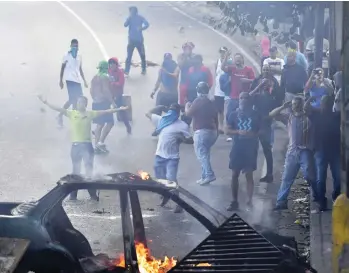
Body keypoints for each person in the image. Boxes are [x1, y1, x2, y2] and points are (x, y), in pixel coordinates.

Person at [38, 95, 127, 201]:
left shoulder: (90, 114)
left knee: (89, 172)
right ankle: (73, 196)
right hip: (75, 146)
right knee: (75, 172)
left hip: (87, 146)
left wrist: (119, 109)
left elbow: (106, 111)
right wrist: (46, 102)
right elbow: (58, 108)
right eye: (79, 102)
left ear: (86, 104)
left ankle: (93, 196)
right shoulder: (72, 113)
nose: (81, 104)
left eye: (83, 102)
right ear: (77, 104)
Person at [269, 97, 316, 210]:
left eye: (297, 104)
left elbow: (314, 111)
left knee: (309, 175)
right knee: (287, 178)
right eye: (294, 104)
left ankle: (316, 196)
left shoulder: (308, 116)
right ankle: (281, 202)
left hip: (305, 151)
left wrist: (308, 102)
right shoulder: (289, 117)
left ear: (301, 105)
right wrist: (283, 107)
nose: (295, 106)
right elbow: (272, 114)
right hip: (292, 152)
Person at [146, 103, 193, 213]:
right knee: (160, 180)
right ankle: (165, 196)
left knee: (171, 180)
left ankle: (179, 203)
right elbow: (147, 113)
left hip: (172, 157)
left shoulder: (182, 125)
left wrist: (181, 138)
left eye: (174, 111)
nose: (171, 113)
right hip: (159, 155)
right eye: (169, 110)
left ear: (177, 113)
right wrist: (160, 107)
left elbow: (191, 141)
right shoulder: (162, 120)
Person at [225, 92, 261, 211]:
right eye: (241, 97)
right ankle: (234, 201)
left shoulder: (256, 115)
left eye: (246, 98)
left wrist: (254, 134)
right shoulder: (233, 114)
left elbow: (262, 131)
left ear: (250, 100)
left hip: (250, 148)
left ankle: (249, 201)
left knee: (248, 175)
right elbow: (227, 130)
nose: (243, 100)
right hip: (237, 147)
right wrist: (238, 132)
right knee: (234, 174)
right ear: (238, 99)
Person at [305, 95, 340, 211]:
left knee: (329, 178)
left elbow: (306, 108)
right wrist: (309, 99)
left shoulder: (334, 115)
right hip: (324, 151)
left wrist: (310, 100)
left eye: (325, 102)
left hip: (329, 151)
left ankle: (329, 199)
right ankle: (324, 201)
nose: (324, 105)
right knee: (325, 178)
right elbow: (306, 109)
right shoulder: (319, 115)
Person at [250, 65, 281, 183]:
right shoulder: (257, 80)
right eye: (264, 69)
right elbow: (250, 95)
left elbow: (278, 98)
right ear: (262, 70)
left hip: (267, 117)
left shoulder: (274, 83)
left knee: (266, 147)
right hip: (256, 115)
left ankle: (269, 174)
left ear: (270, 71)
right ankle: (250, 172)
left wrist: (274, 113)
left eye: (268, 70)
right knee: (252, 146)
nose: (266, 71)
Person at [185, 82, 218, 186]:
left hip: (201, 132)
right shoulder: (211, 102)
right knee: (205, 154)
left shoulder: (198, 100)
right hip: (212, 131)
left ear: (198, 90)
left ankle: (209, 174)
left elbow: (188, 113)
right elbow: (216, 118)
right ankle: (204, 176)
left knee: (201, 155)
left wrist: (187, 106)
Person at [58, 39, 88, 127]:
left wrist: (84, 80)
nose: (75, 47)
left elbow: (80, 69)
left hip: (77, 79)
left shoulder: (79, 55)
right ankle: (63, 115)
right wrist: (61, 80)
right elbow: (62, 68)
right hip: (69, 79)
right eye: (73, 46)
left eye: (76, 46)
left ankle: (74, 117)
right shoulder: (66, 55)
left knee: (79, 99)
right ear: (71, 46)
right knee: (72, 99)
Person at [90, 61, 117, 154]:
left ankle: (96, 144)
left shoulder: (95, 77)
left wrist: (95, 98)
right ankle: (100, 143)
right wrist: (112, 102)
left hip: (96, 103)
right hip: (103, 103)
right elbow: (106, 90)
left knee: (99, 124)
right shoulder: (104, 77)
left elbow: (91, 91)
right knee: (110, 122)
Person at [221, 52, 255, 118]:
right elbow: (222, 68)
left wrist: (246, 80)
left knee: (243, 118)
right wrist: (226, 57)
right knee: (229, 117)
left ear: (242, 60)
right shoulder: (232, 69)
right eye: (236, 59)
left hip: (244, 99)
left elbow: (254, 81)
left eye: (239, 59)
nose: (237, 60)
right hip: (234, 98)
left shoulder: (249, 70)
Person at [108, 57, 132, 135]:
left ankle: (128, 126)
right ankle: (100, 127)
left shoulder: (120, 72)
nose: (111, 65)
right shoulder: (109, 70)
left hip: (117, 94)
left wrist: (113, 83)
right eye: (110, 63)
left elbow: (121, 83)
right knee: (104, 109)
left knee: (121, 111)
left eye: (113, 63)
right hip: (110, 93)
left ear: (116, 64)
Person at [124, 6, 149, 76]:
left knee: (138, 55)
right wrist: (142, 28)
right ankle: (128, 71)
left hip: (136, 40)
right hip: (135, 40)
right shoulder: (135, 18)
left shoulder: (135, 18)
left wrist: (141, 28)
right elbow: (125, 25)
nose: (130, 13)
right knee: (136, 56)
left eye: (131, 11)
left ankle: (128, 71)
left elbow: (125, 25)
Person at [214, 47, 229, 134]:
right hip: (218, 89)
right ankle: (220, 126)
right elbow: (216, 73)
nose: (222, 54)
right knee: (219, 109)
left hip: (227, 89)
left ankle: (227, 125)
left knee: (226, 109)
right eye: (221, 52)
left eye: (224, 52)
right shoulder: (218, 61)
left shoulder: (230, 61)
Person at [177, 42, 195, 107]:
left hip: (193, 82)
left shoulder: (194, 56)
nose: (187, 50)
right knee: (182, 102)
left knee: (192, 101)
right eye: (185, 49)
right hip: (183, 82)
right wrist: (185, 56)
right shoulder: (180, 56)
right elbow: (180, 65)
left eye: (189, 49)